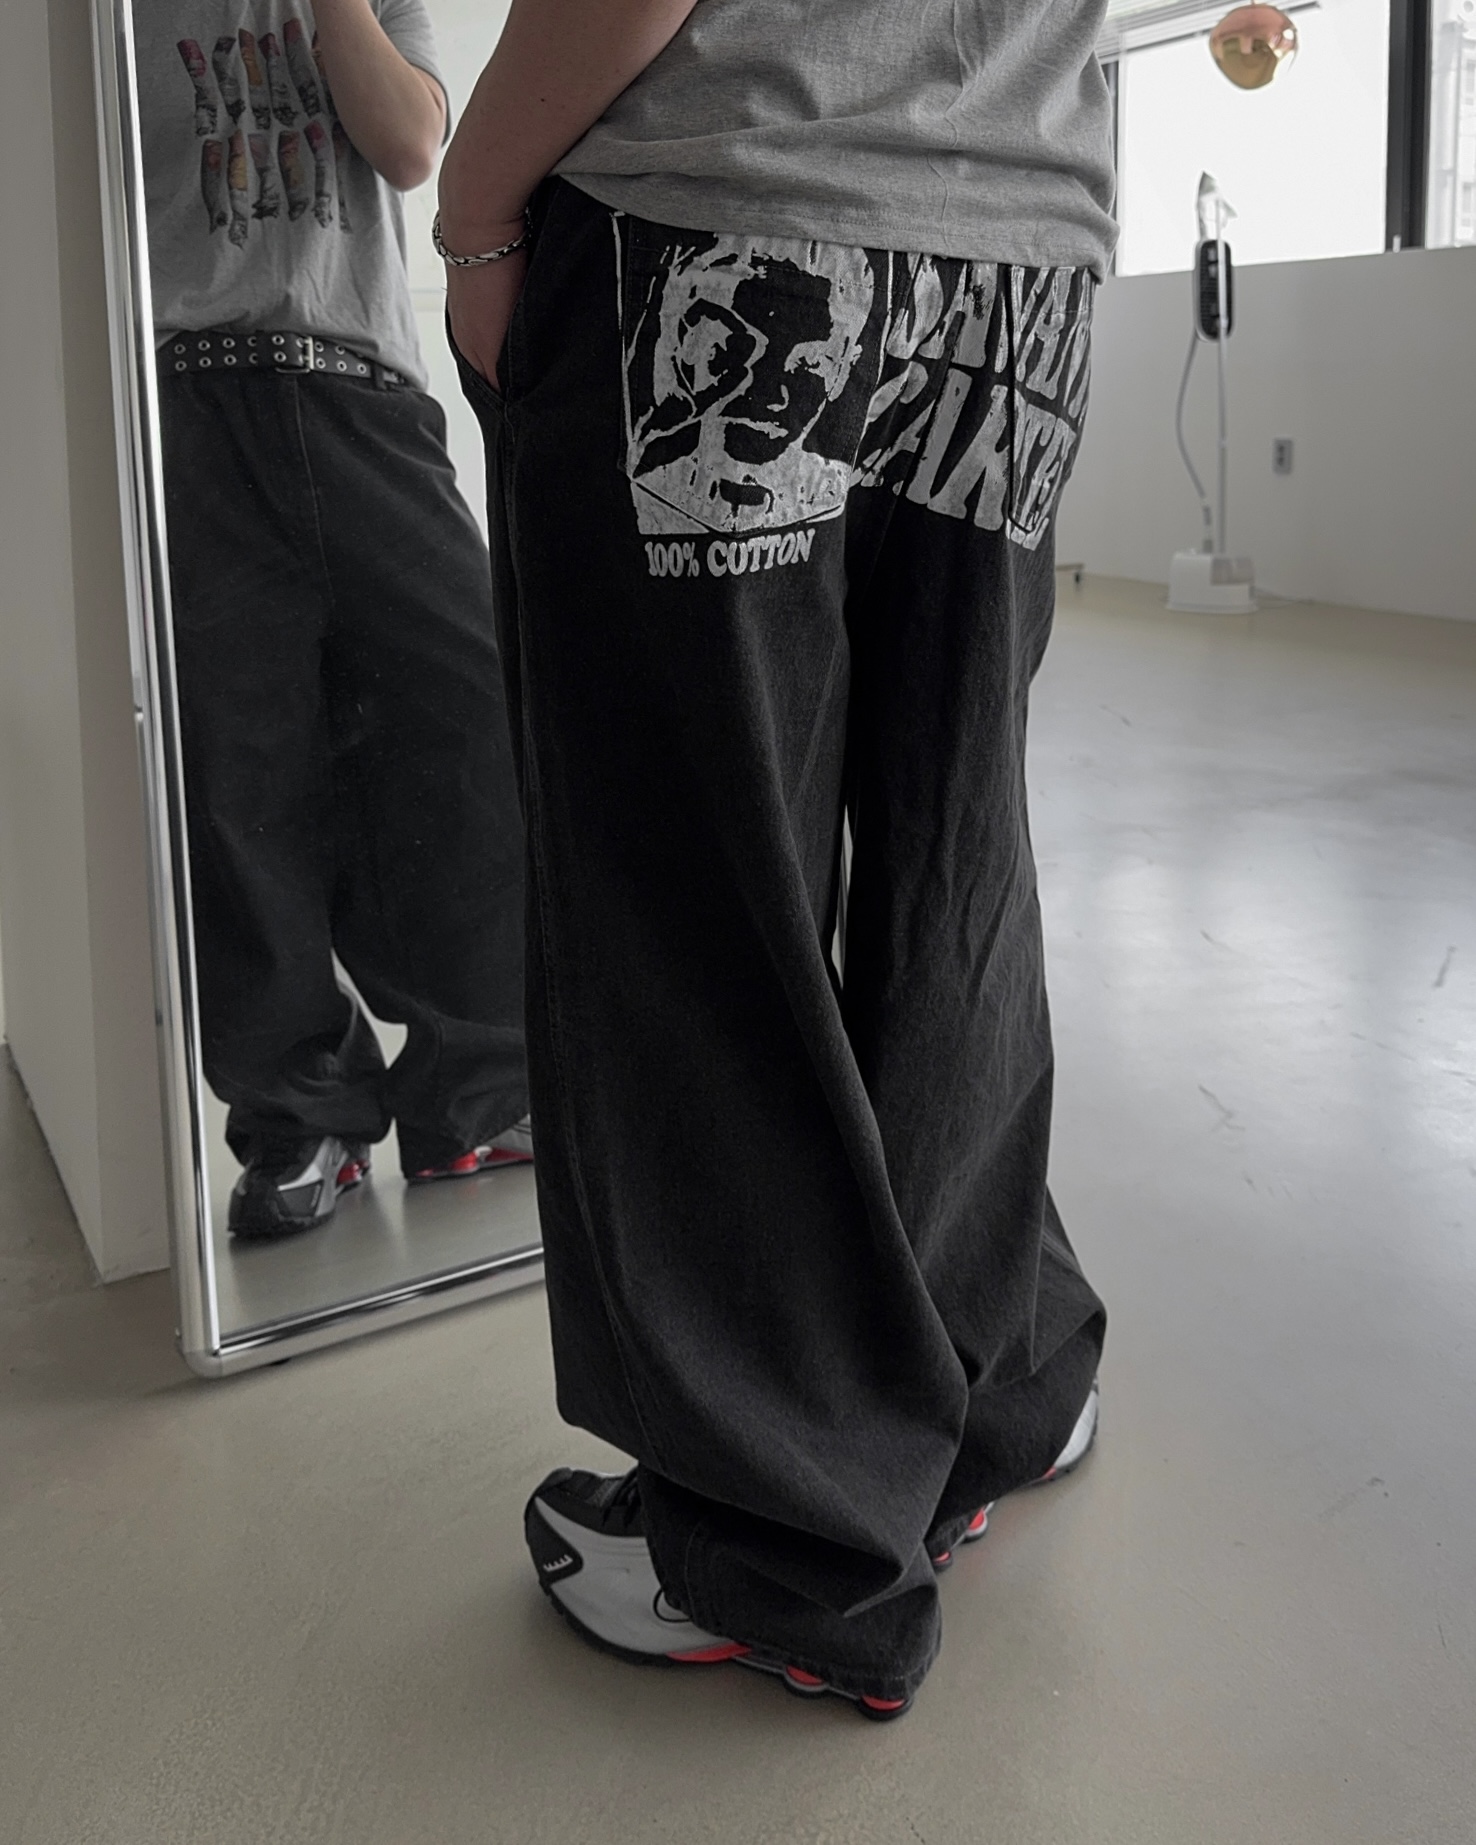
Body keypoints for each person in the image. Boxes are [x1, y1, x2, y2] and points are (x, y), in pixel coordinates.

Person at [440, 0, 1114, 1719]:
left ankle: (784, 1539)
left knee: (690, 905)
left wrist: (475, 212)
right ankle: (988, 1396)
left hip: (722, 232)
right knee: (957, 864)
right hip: (1022, 261)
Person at [140, 0, 532, 1237]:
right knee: (237, 776)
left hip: (363, 394)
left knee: (473, 724)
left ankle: (482, 1090)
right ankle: (297, 1115)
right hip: (188, 401)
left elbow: (412, 148)